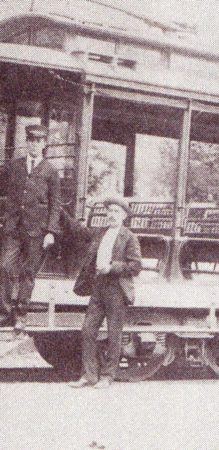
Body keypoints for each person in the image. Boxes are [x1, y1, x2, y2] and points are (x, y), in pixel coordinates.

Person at [66, 197, 142, 389]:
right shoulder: (101, 233)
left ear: (124, 215)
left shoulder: (129, 237)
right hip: (98, 287)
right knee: (87, 331)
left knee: (114, 334)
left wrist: (112, 267)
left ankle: (107, 377)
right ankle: (89, 375)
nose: (111, 215)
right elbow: (81, 236)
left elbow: (136, 266)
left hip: (117, 288)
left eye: (116, 212)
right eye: (109, 211)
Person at [0, 124, 60, 330]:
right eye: (31, 140)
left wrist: (51, 232)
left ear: (44, 144)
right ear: (26, 142)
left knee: (28, 273)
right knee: (4, 266)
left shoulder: (51, 171)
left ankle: (21, 314)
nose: (34, 144)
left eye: (38, 141)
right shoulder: (14, 166)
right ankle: (5, 312)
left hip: (37, 231)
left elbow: (55, 205)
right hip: (13, 228)